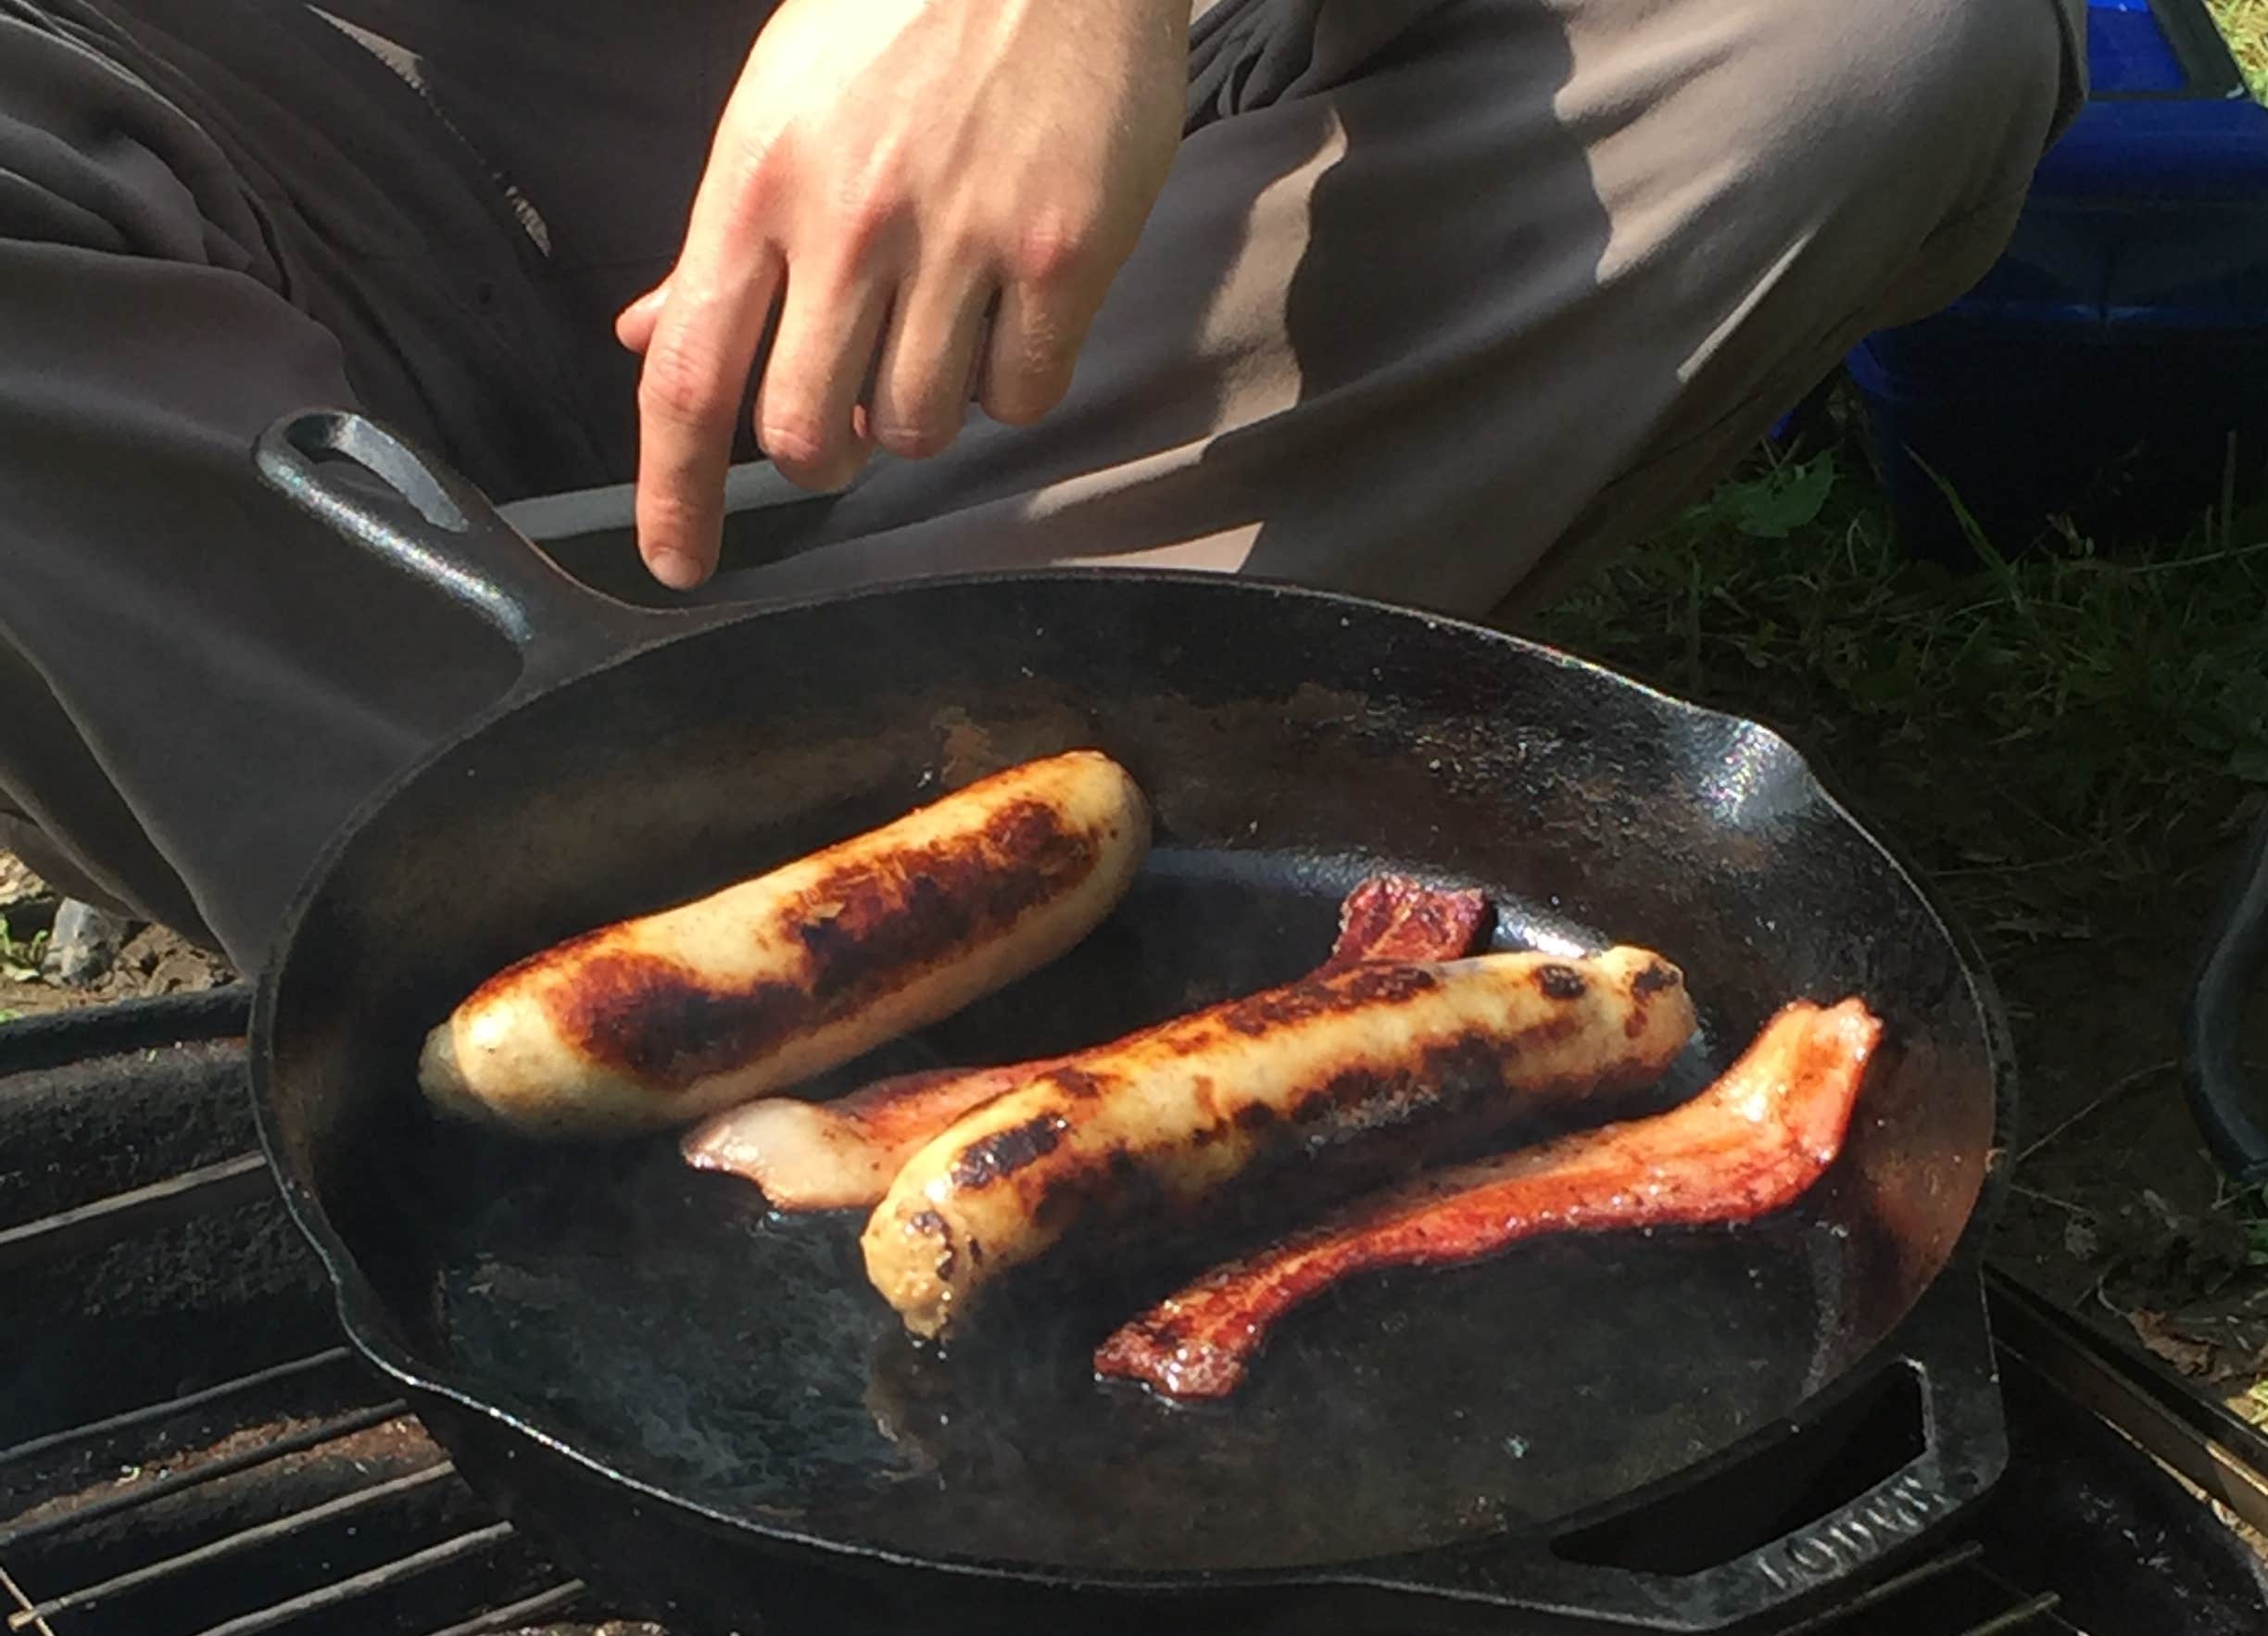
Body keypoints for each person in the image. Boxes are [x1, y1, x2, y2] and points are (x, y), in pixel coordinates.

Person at [0, 0, 2079, 970]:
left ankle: (727, 858)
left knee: (1872, 34)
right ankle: (516, 890)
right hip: (235, 151)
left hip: (1103, 198)